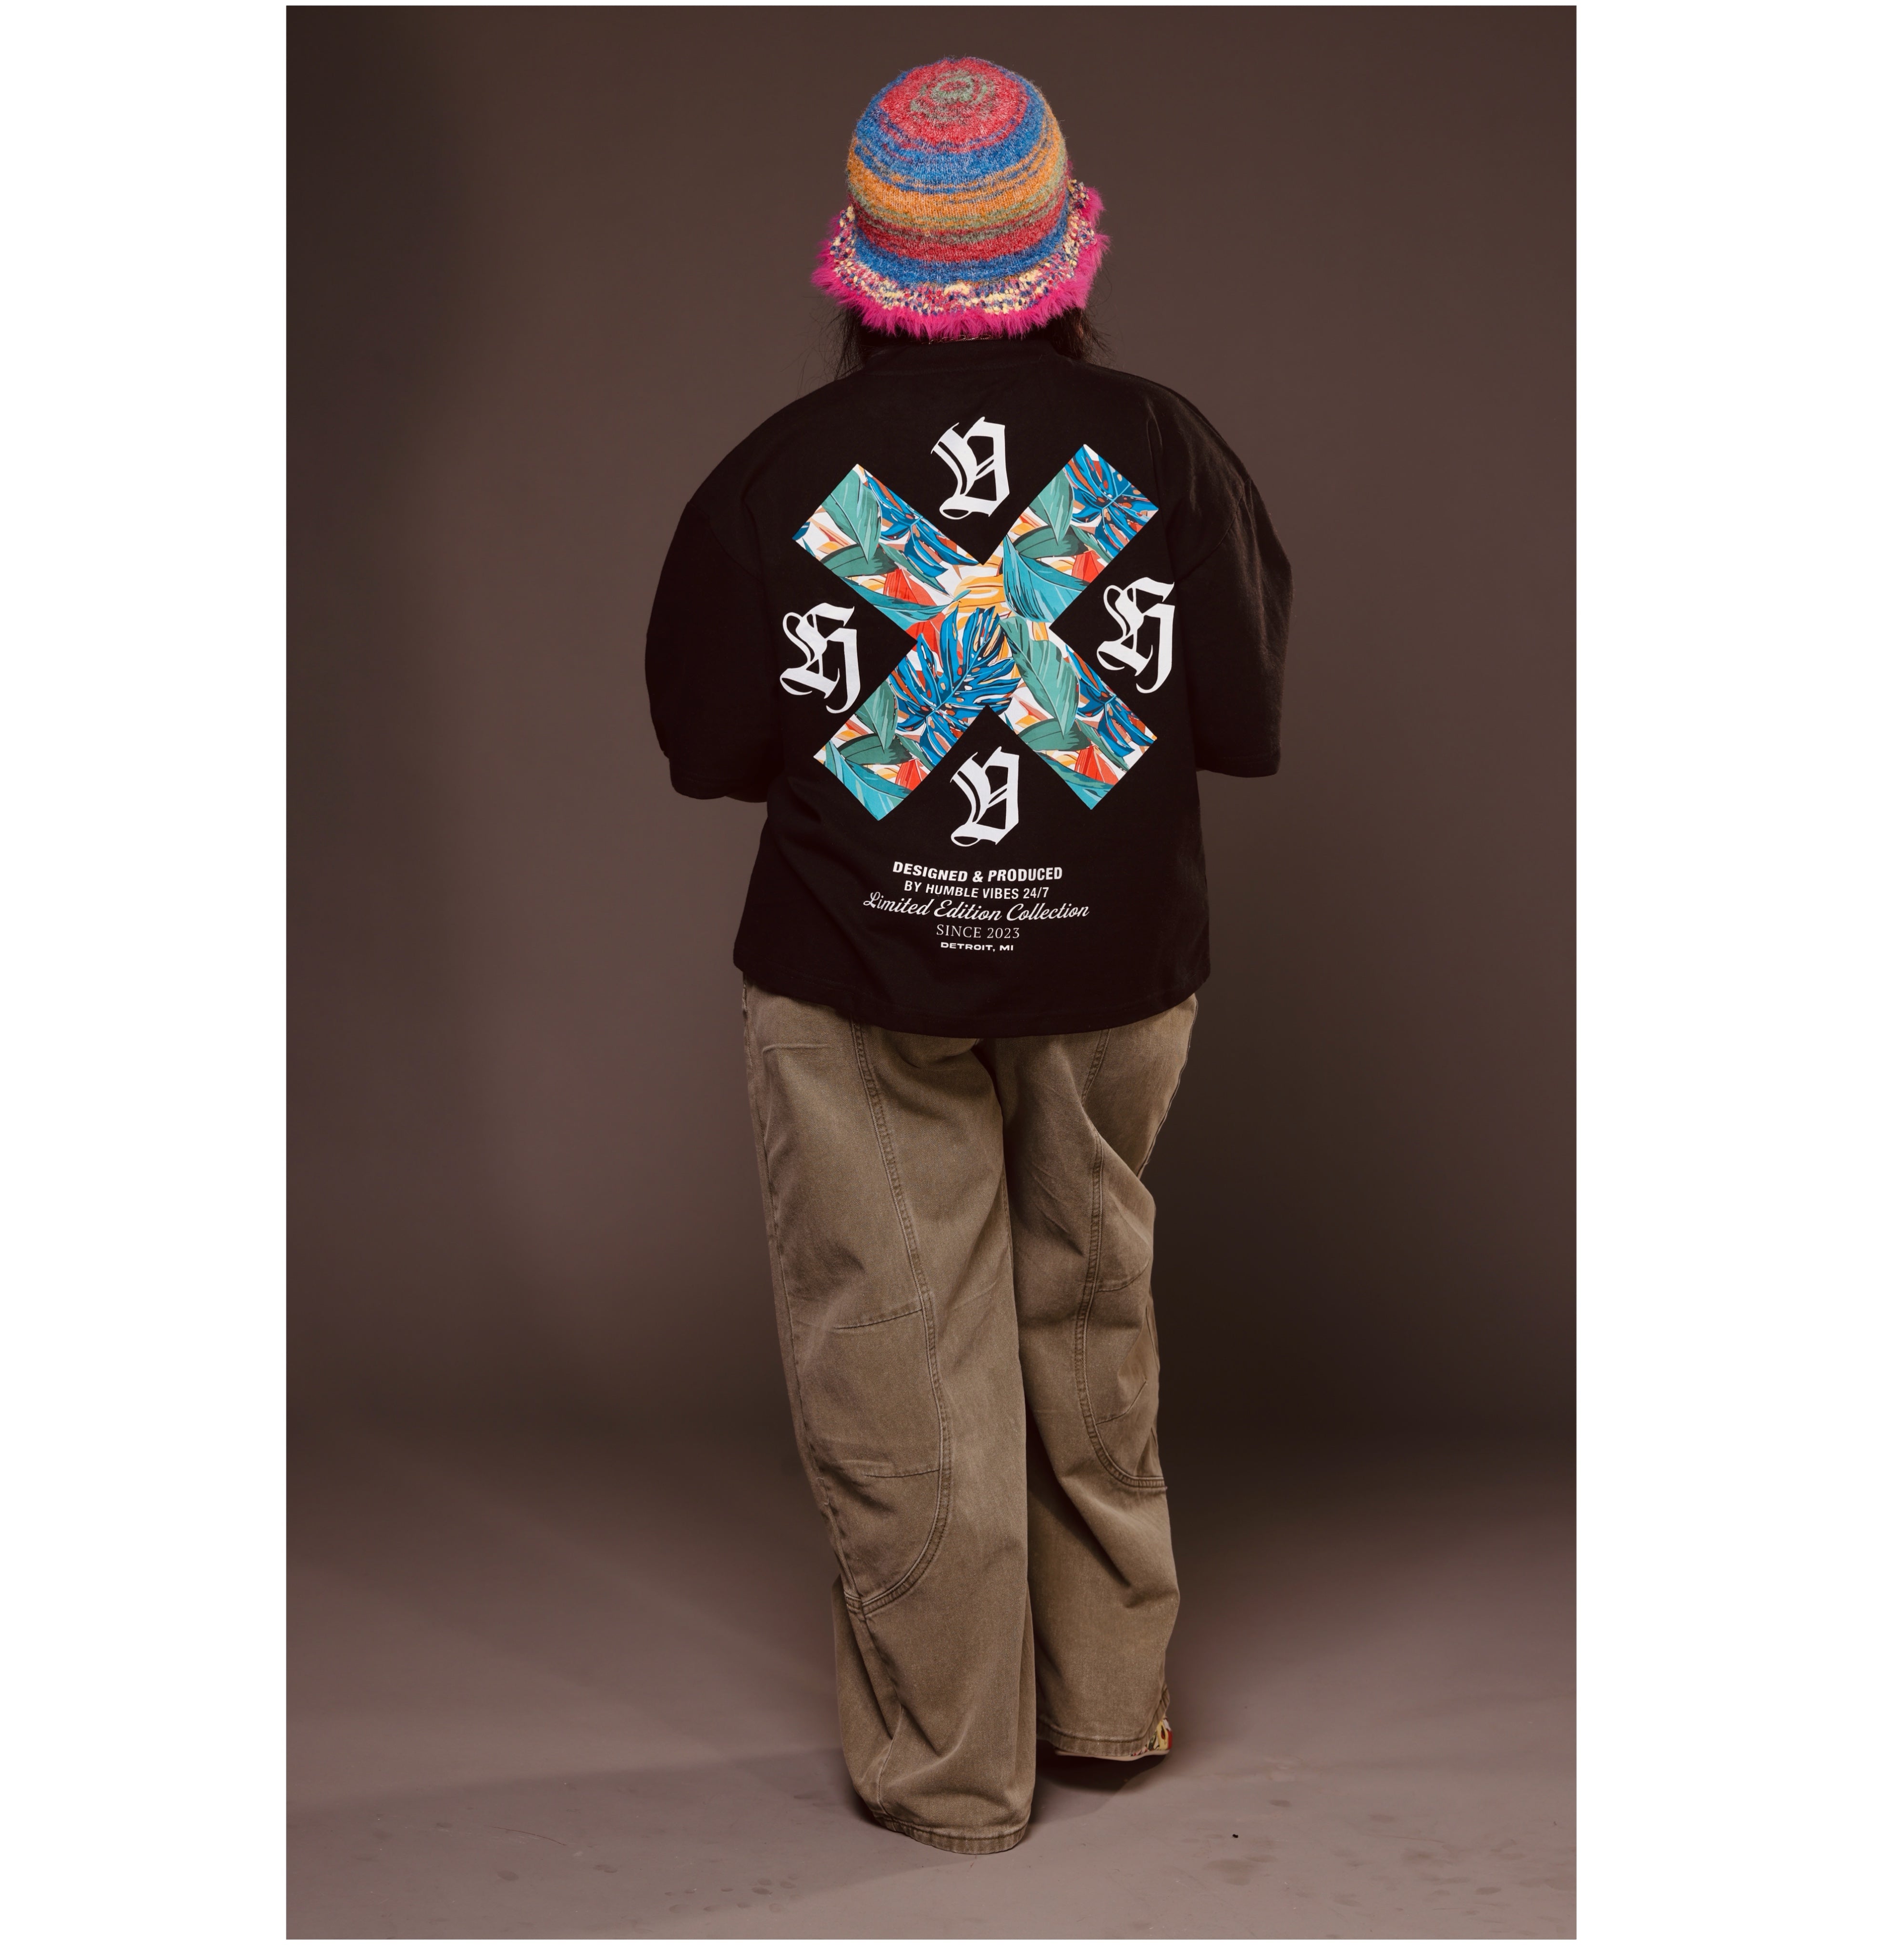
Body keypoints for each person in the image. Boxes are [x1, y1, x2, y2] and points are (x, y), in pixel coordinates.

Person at [644, 56, 1290, 1855]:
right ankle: (1107, 1701)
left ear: (858, 269)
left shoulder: (777, 476)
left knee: (896, 1353)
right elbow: (1239, 716)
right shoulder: (1165, 449)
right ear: (1069, 249)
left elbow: (710, 745)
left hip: (855, 973)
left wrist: (919, 691)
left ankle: (954, 1772)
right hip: (1118, 966)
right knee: (1092, 1310)